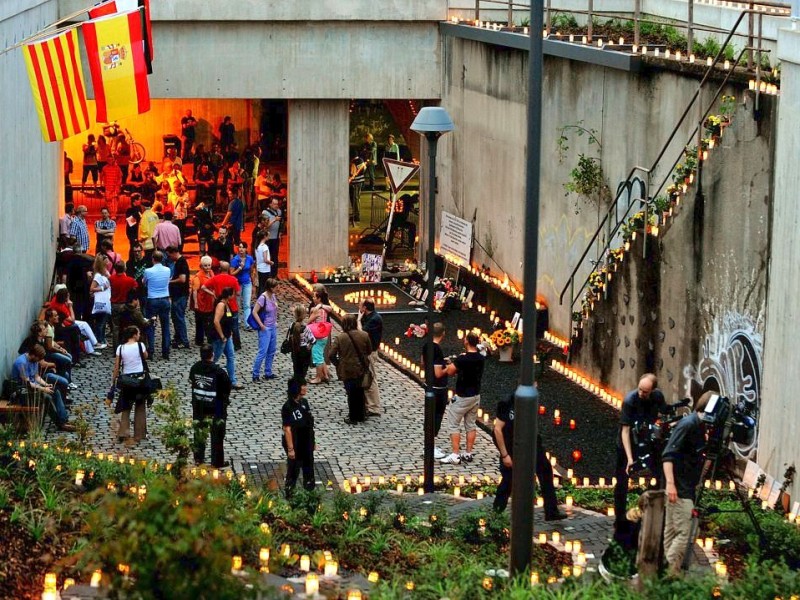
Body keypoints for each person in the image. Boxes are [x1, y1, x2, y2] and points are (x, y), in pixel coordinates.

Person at [492, 392, 567, 520]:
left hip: (533, 445)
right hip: (513, 448)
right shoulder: (508, 403)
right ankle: (496, 514)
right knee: (508, 481)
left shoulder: (532, 400)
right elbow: (497, 430)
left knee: (546, 472)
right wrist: (505, 455)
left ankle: (551, 511)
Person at [662, 391, 713, 575]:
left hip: (684, 486)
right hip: (679, 488)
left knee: (672, 532)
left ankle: (669, 573)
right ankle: (668, 572)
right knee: (685, 533)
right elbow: (668, 455)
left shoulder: (699, 426)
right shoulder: (688, 424)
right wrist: (670, 484)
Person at [614, 373, 669, 527]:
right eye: (639, 389)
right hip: (627, 442)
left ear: (652, 390)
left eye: (645, 391)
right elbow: (625, 431)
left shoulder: (657, 397)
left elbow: (664, 413)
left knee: (659, 472)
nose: (641, 393)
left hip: (646, 441)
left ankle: (653, 512)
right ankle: (620, 519)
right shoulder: (630, 400)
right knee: (622, 480)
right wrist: (630, 458)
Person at [440, 331, 486, 464]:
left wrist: (451, 363)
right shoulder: (481, 358)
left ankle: (455, 454)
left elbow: (450, 371)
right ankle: (468, 453)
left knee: (453, 424)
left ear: (466, 341)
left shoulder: (462, 359)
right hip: (475, 395)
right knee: (470, 424)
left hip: (462, 396)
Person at [12, 345, 75, 431]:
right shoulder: (21, 363)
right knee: (47, 397)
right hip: (22, 390)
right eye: (38, 359)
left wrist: (46, 384)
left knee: (55, 391)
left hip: (32, 387)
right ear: (33, 355)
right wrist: (43, 389)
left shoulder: (33, 360)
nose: (39, 361)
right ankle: (61, 424)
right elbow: (28, 383)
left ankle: (64, 419)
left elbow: (36, 377)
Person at [189, 344, 232, 467]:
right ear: (212, 355)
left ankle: (198, 458)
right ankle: (217, 461)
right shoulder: (219, 372)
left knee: (199, 431)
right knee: (217, 433)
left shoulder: (195, 368)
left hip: (199, 404)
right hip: (216, 406)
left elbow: (192, 381)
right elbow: (227, 388)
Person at [328, 314, 372, 425]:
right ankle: (361, 415)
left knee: (351, 393)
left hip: (347, 369)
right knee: (360, 391)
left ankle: (353, 417)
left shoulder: (340, 337)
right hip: (361, 368)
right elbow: (369, 350)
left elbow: (331, 354)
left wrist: (338, 364)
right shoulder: (364, 335)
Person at [111, 325, 149, 442]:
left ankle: (123, 432)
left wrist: (113, 381)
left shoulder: (120, 348)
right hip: (139, 379)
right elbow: (145, 356)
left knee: (126, 406)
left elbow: (117, 366)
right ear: (134, 335)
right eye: (138, 333)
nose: (139, 336)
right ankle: (140, 434)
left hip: (127, 380)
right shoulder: (140, 345)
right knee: (140, 406)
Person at [282, 377, 315, 497]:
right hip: (296, 442)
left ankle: (310, 493)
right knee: (293, 470)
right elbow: (287, 429)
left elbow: (309, 423)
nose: (305, 388)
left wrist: (313, 441)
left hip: (307, 441)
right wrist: (291, 449)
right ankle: (290, 494)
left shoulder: (304, 402)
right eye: (303, 385)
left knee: (309, 468)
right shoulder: (288, 407)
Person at [421, 322, 449, 459]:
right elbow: (439, 373)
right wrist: (449, 368)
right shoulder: (437, 349)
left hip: (428, 384)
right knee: (436, 417)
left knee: (429, 415)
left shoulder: (426, 345)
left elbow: (423, 362)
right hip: (438, 388)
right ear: (443, 334)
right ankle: (431, 446)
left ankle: (429, 444)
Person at [202, 261, 242, 351]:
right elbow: (238, 293)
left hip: (219, 305)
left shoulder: (215, 278)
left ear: (220, 269)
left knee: (219, 322)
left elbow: (203, 287)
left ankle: (220, 339)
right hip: (232, 306)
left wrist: (213, 294)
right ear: (228, 269)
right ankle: (237, 344)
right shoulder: (233, 279)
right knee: (234, 326)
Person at [210, 287, 242, 389]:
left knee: (231, 357)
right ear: (229, 295)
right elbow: (216, 321)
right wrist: (222, 336)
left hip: (227, 336)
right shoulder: (221, 305)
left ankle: (232, 381)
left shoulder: (226, 304)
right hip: (220, 337)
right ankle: (207, 377)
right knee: (214, 358)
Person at [142, 250, 172, 359]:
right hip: (165, 299)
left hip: (152, 300)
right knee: (166, 326)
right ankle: (166, 351)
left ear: (153, 259)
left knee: (150, 325)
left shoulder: (148, 271)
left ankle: (151, 351)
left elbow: (144, 282)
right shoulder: (167, 270)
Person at [358, 299, 383, 416]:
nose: (358, 307)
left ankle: (374, 407)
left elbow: (361, 333)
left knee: (371, 379)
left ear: (365, 308)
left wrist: (358, 320)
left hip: (370, 352)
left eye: (360, 305)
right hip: (366, 352)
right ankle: (369, 404)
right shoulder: (368, 317)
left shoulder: (374, 319)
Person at [250, 278, 278, 382]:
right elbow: (254, 312)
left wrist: (275, 321)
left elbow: (274, 310)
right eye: (275, 287)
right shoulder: (263, 298)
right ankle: (255, 373)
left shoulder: (273, 296)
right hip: (265, 328)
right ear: (271, 288)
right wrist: (261, 325)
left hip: (273, 327)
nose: (277, 288)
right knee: (262, 351)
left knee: (271, 350)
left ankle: (268, 372)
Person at [109, 261, 139, 348]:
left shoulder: (111, 278)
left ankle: (116, 348)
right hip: (125, 305)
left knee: (115, 327)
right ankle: (126, 345)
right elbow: (136, 289)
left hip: (114, 304)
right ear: (125, 268)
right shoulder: (130, 280)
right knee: (126, 326)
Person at [166, 246, 191, 349]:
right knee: (175, 317)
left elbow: (182, 279)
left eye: (169, 255)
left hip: (181, 295)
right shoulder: (179, 262)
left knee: (179, 317)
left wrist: (169, 281)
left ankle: (184, 340)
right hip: (177, 295)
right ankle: (178, 338)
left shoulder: (181, 262)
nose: (168, 257)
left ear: (174, 253)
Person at [307, 285, 332, 384]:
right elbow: (330, 309)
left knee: (317, 356)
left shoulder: (315, 310)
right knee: (321, 355)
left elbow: (309, 321)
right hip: (324, 335)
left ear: (319, 298)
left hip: (317, 335)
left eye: (314, 297)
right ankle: (325, 375)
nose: (313, 298)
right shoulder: (325, 308)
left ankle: (318, 377)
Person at [190, 256, 215, 345]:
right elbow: (195, 291)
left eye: (209, 265)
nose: (208, 267)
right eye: (205, 266)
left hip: (210, 301)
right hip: (201, 302)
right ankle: (199, 340)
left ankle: (209, 338)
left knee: (210, 321)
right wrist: (196, 303)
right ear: (201, 266)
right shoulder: (198, 277)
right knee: (200, 322)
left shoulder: (211, 273)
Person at [231, 242, 255, 329]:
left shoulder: (250, 259)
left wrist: (254, 284)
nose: (241, 249)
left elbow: (251, 271)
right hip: (238, 284)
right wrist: (240, 268)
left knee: (247, 304)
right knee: (237, 303)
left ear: (246, 249)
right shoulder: (235, 260)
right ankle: (236, 320)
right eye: (239, 247)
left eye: (242, 247)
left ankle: (247, 323)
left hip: (247, 283)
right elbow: (232, 273)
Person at [89, 254, 112, 349]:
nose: (108, 262)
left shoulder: (103, 274)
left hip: (106, 301)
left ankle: (102, 340)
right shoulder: (98, 276)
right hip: (102, 303)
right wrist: (103, 287)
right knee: (100, 323)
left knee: (102, 323)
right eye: (106, 261)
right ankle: (99, 340)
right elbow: (92, 288)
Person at [289, 304, 315, 380]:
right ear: (304, 316)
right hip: (304, 350)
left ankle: (296, 379)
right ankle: (301, 381)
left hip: (294, 350)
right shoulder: (305, 328)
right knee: (303, 369)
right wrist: (309, 347)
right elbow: (313, 340)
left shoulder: (292, 326)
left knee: (296, 366)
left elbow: (289, 336)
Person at [262, 197, 282, 279]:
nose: (276, 206)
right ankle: (268, 275)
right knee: (267, 256)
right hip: (268, 238)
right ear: (270, 204)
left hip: (276, 238)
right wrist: (274, 220)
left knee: (275, 256)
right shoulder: (265, 212)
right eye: (274, 204)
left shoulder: (279, 211)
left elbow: (281, 223)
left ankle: (274, 274)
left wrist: (280, 232)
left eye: (277, 204)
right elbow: (265, 226)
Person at [125, 194, 143, 263]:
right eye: (139, 199)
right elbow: (130, 221)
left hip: (137, 231)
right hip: (132, 231)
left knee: (137, 246)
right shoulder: (129, 209)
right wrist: (136, 215)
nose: (140, 201)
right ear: (134, 200)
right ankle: (131, 261)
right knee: (133, 247)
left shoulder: (138, 208)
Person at [348, 154, 366, 222]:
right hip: (361, 181)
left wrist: (349, 180)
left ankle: (356, 216)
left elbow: (353, 173)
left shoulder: (354, 162)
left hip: (355, 182)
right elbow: (365, 169)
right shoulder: (361, 160)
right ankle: (356, 214)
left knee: (354, 199)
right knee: (357, 198)